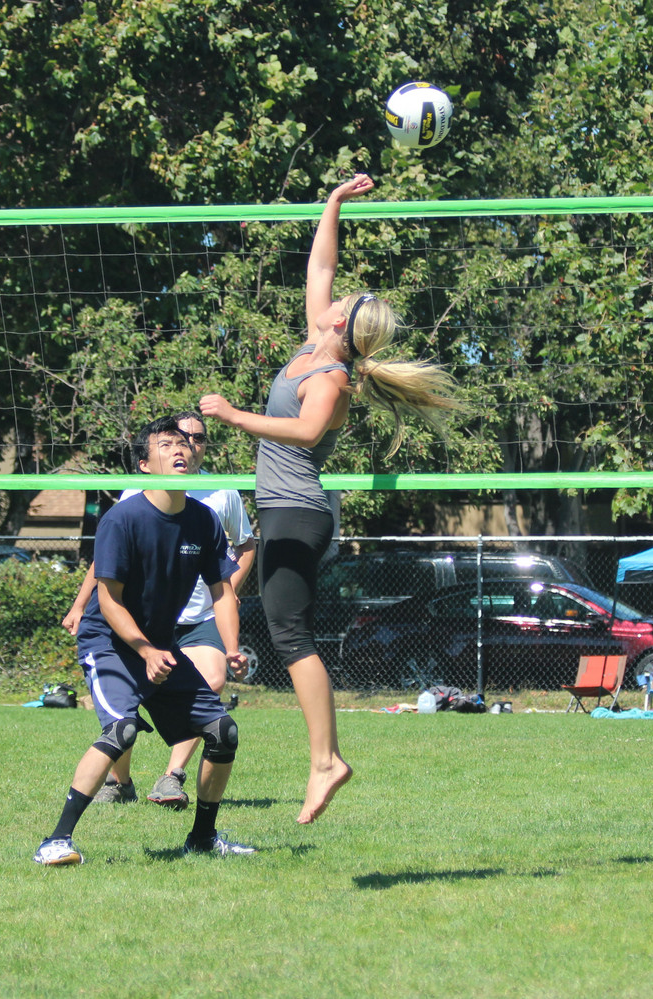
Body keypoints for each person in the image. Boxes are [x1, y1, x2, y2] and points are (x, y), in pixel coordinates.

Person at [199, 172, 459, 825]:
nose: (331, 294)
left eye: (339, 299)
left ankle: (326, 760)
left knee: (290, 631)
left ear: (341, 320)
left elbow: (308, 431)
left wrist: (232, 415)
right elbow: (321, 265)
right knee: (285, 627)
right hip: (284, 511)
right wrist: (334, 202)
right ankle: (324, 759)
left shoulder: (332, 375)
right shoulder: (314, 344)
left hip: (298, 513)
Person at [34, 415, 256, 865]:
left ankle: (202, 838)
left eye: (185, 443)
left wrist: (232, 646)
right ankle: (55, 841)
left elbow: (222, 592)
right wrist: (145, 650)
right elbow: (109, 600)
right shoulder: (123, 518)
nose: (180, 449)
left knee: (223, 731)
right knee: (122, 729)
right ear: (144, 464)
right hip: (109, 642)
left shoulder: (204, 520)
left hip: (159, 644)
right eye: (166, 444)